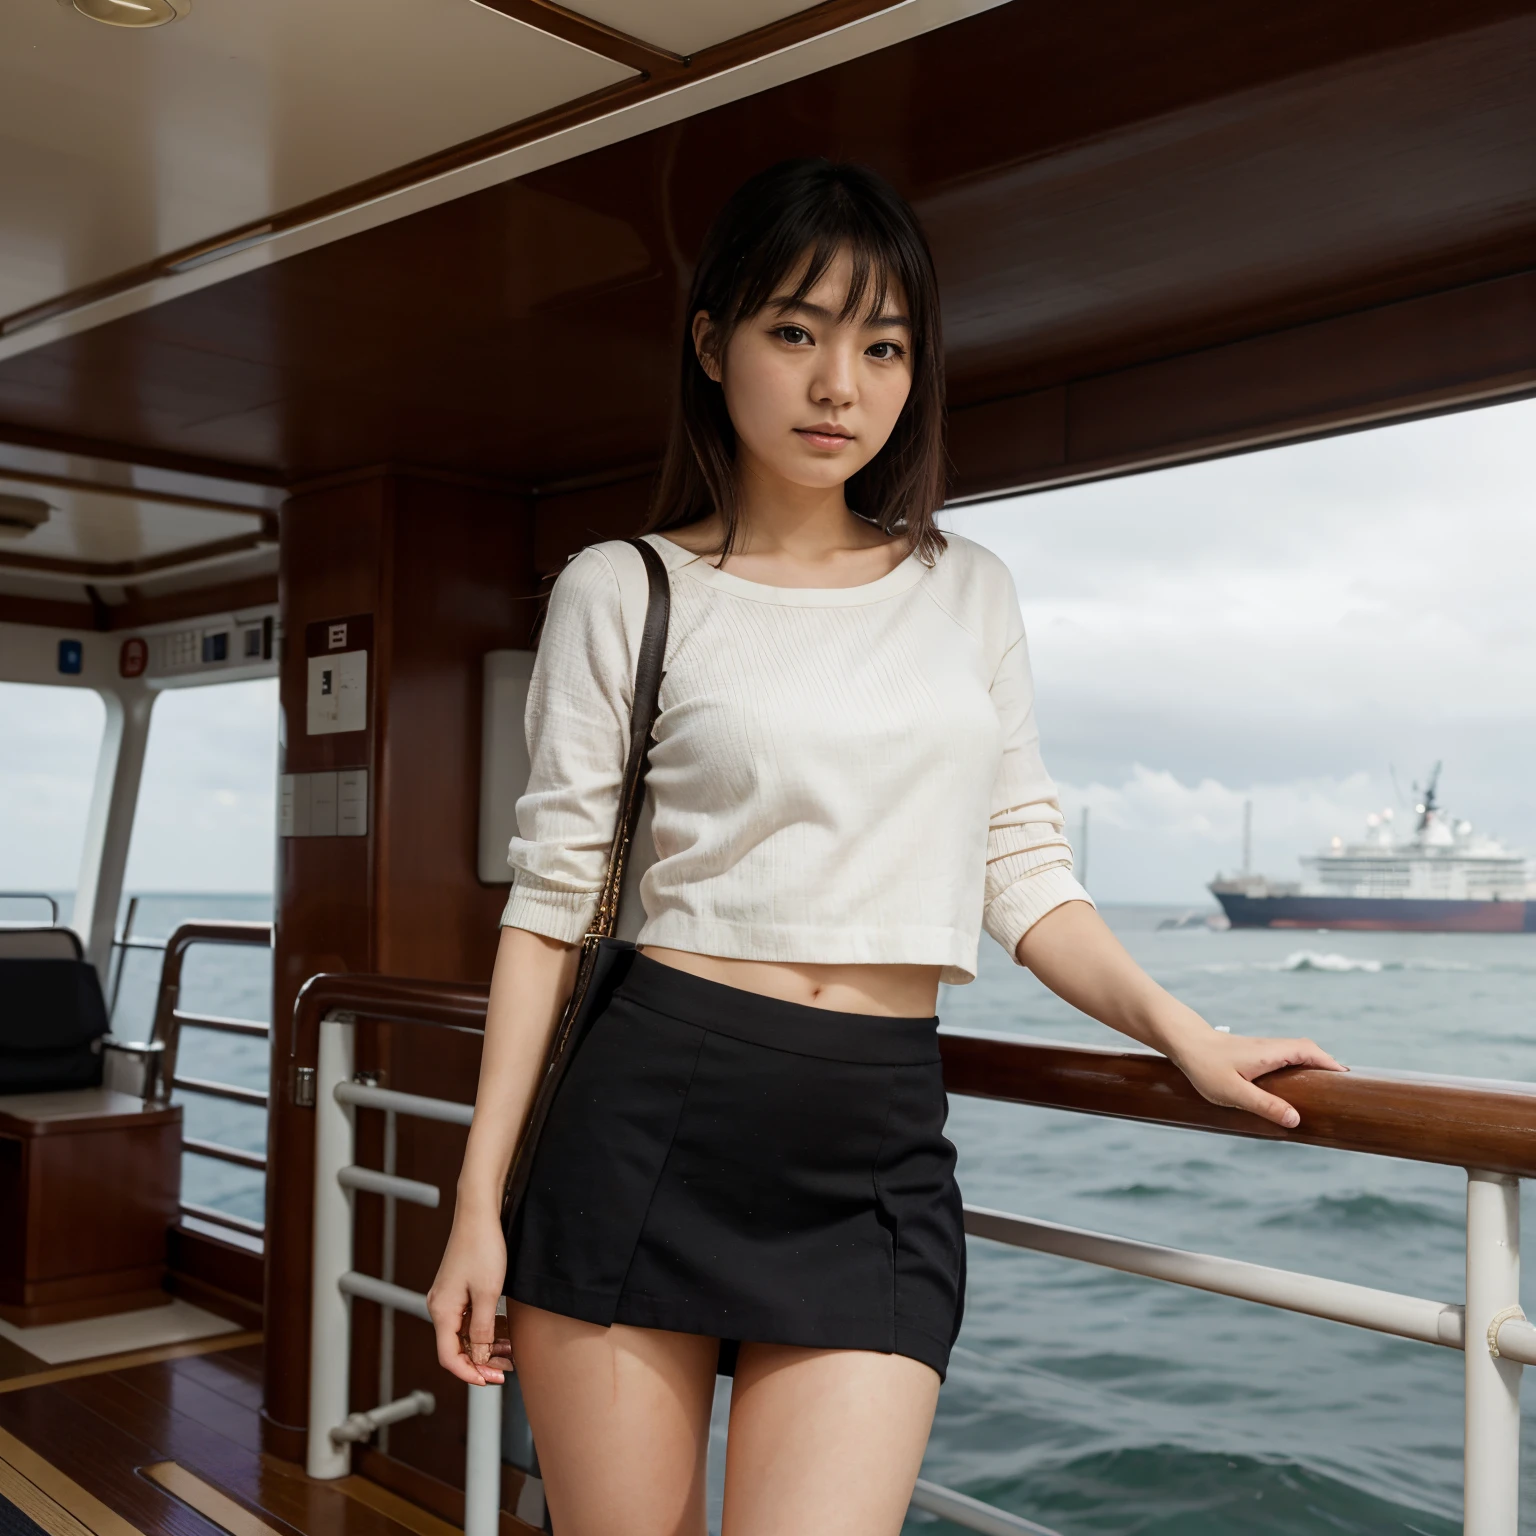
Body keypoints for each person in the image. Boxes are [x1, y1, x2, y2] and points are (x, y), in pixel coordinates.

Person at [427, 158, 1343, 1536]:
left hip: (872, 1144)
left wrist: (1181, 1029)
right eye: (795, 332)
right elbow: (552, 908)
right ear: (712, 341)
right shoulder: (625, 587)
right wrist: (477, 1204)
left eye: (882, 345)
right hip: (646, 1120)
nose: (837, 385)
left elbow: (1020, 867)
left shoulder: (964, 591)